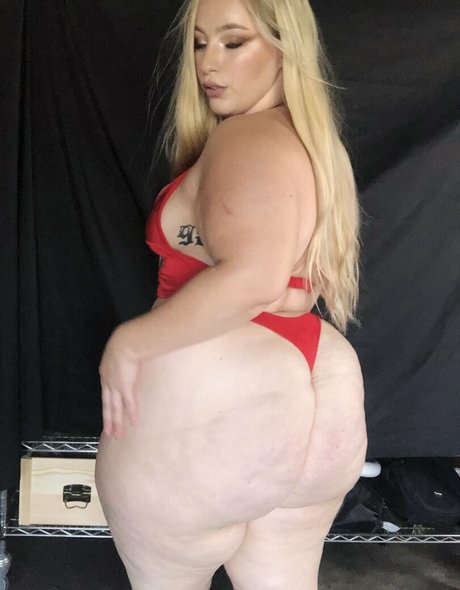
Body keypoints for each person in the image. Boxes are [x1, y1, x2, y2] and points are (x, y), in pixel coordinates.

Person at [95, 0, 367, 588]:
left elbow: (253, 280)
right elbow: (289, 288)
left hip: (219, 386)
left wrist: (129, 344)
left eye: (233, 42)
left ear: (285, 48)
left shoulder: (245, 140)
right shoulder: (311, 145)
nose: (208, 63)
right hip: (320, 375)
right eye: (200, 43)